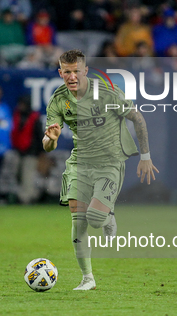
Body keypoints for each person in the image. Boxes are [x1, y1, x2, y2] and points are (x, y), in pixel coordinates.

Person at [43, 50, 158, 290]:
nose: (72, 76)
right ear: (60, 72)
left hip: (109, 163)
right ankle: (87, 278)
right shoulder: (58, 100)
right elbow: (48, 146)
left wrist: (145, 156)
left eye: (76, 71)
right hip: (79, 164)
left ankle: (108, 214)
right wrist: (51, 138)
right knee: (78, 217)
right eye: (67, 72)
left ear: (85, 71)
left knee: (95, 219)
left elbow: (138, 119)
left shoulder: (106, 93)